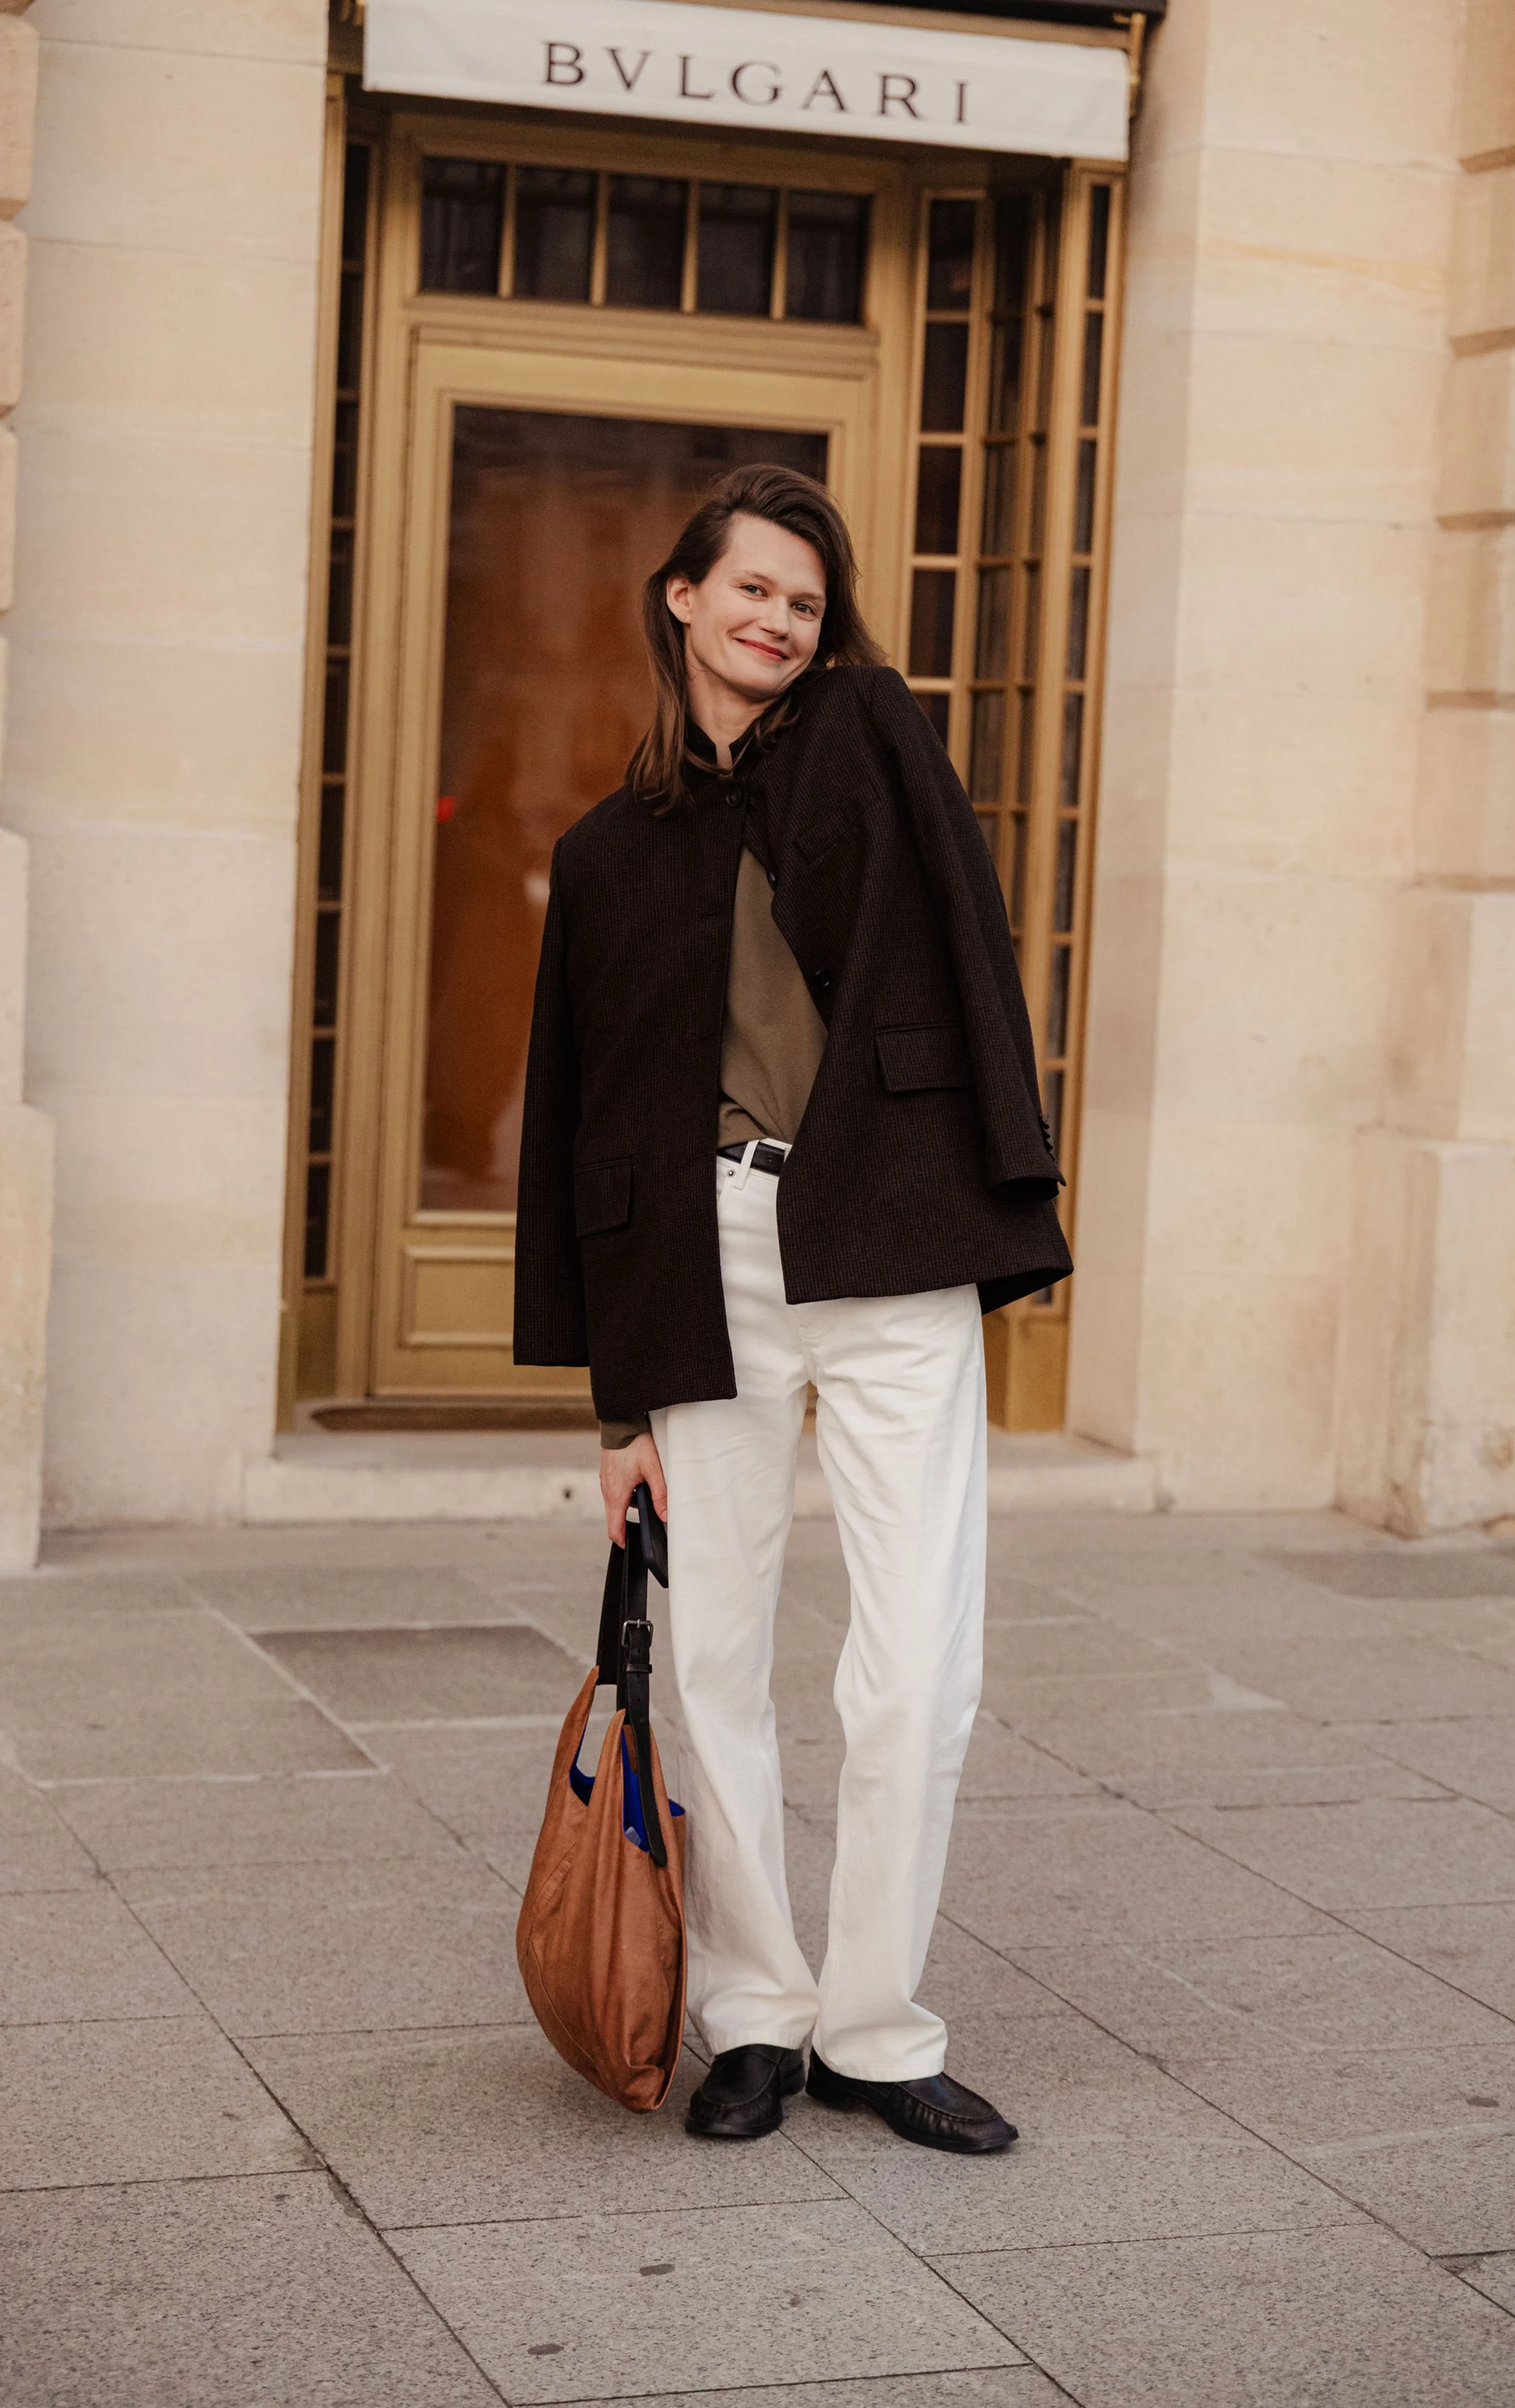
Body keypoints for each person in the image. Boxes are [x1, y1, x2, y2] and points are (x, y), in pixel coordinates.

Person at [514, 464, 1070, 2152]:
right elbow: (582, 1127)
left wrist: (1005, 1196)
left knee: (918, 1670)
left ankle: (879, 2031)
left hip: (889, 1242)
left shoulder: (863, 741)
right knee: (716, 1660)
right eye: (748, 586)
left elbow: (944, 928)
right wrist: (615, 1410)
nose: (774, 616)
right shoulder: (607, 855)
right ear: (679, 597)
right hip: (707, 1262)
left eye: (804, 600)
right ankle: (757, 2013)